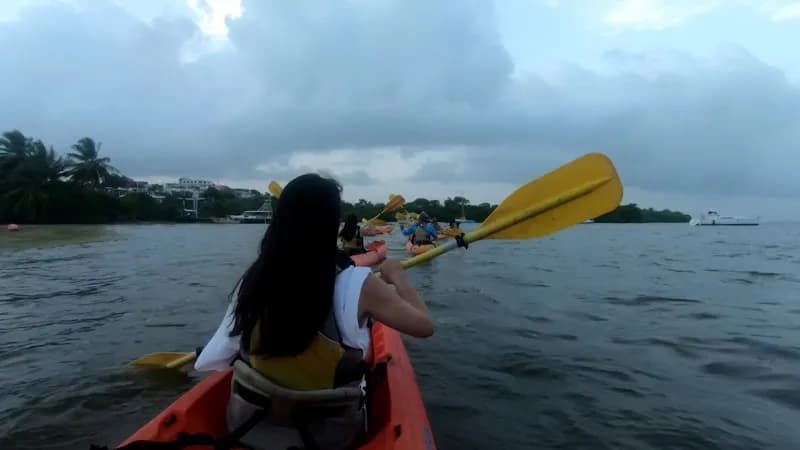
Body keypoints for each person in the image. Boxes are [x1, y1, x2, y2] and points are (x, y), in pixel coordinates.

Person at [220, 174, 434, 449]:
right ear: (332, 222)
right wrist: (397, 275)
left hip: (252, 428)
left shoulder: (255, 277)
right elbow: (425, 327)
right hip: (325, 437)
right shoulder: (360, 283)